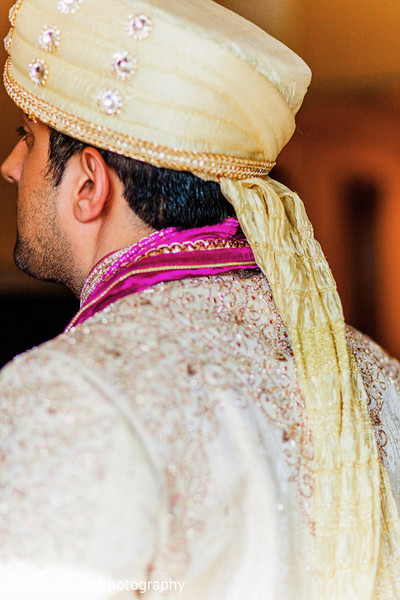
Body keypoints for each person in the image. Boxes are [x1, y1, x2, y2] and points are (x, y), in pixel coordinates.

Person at [1, 0, 400, 598]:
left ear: (89, 184)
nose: (11, 167)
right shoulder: (376, 377)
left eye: (26, 139)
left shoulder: (68, 392)